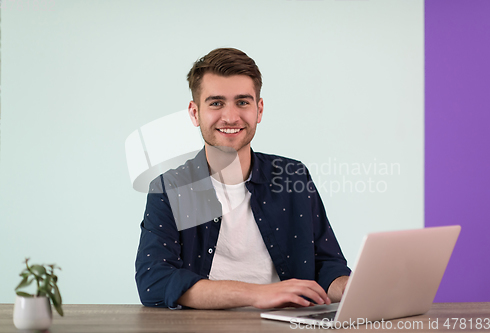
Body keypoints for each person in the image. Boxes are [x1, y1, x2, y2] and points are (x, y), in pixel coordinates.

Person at [135, 48, 351, 310]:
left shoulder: (293, 175)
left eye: (242, 102)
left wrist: (353, 287)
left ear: (259, 110)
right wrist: (258, 294)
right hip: (203, 327)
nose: (230, 117)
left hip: (286, 326)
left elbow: (327, 266)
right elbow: (154, 282)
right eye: (216, 103)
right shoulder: (169, 188)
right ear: (194, 113)